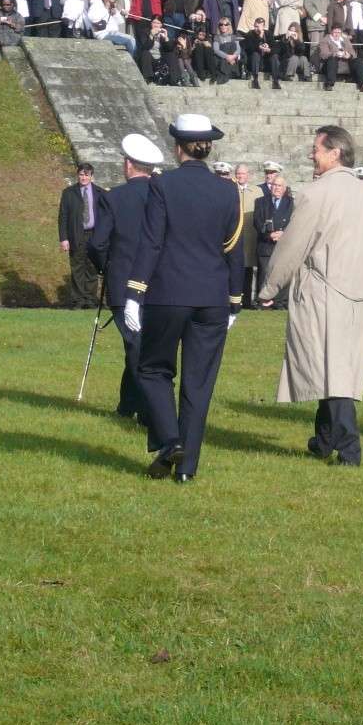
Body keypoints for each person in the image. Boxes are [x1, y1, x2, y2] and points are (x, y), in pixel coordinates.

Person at [258, 125, 363, 465]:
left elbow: (293, 247)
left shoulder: (315, 194)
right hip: (361, 297)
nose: (313, 155)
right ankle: (323, 441)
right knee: (335, 368)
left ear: (334, 152)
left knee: (335, 374)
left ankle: (350, 448)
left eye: (317, 149)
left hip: (323, 294)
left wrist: (269, 288)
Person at [123, 113, 244, 483]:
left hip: (168, 294)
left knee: (153, 369)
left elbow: (152, 241)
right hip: (213, 299)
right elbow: (233, 249)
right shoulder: (228, 190)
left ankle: (171, 440)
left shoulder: (164, 186)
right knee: (199, 383)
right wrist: (235, 299)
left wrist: (134, 292)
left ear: (178, 148)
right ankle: (186, 469)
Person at [87, 134, 164, 425]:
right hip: (157, 283)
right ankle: (127, 404)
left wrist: (106, 267)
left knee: (136, 347)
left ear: (129, 165)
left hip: (123, 283)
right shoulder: (163, 194)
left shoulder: (113, 197)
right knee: (139, 344)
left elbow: (97, 244)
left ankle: (146, 411)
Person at [58, 163, 104, 309]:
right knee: (77, 268)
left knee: (91, 268)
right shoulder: (68, 193)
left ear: (92, 176)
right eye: (81, 174)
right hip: (76, 235)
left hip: (94, 235)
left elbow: (105, 216)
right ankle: (78, 300)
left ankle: (90, 299)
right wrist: (64, 238)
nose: (83, 177)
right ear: (77, 175)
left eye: (86, 175)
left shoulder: (100, 193)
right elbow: (63, 217)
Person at [253, 175, 294, 307]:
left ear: (284, 188)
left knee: (283, 273)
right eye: (274, 185)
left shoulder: (292, 202)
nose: (276, 188)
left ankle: (280, 302)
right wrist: (270, 235)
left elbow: (295, 223)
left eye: (279, 186)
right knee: (264, 273)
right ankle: (262, 301)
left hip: (284, 244)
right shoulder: (260, 201)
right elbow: (257, 222)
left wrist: (283, 234)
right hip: (266, 244)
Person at [235, 164, 261, 308]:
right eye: (238, 174)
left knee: (249, 270)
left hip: (251, 237)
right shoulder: (230, 190)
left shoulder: (257, 191)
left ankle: (246, 302)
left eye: (243, 174)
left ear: (248, 175)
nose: (240, 176)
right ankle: (234, 300)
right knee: (235, 269)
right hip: (235, 236)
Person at [318, 25, 363, 92]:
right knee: (332, 60)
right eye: (335, 32)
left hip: (345, 63)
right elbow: (323, 54)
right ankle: (329, 84)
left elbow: (353, 53)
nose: (337, 34)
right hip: (330, 64)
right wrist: (335, 54)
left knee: (357, 60)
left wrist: (349, 55)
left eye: (339, 32)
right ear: (331, 32)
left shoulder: (345, 40)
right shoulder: (325, 40)